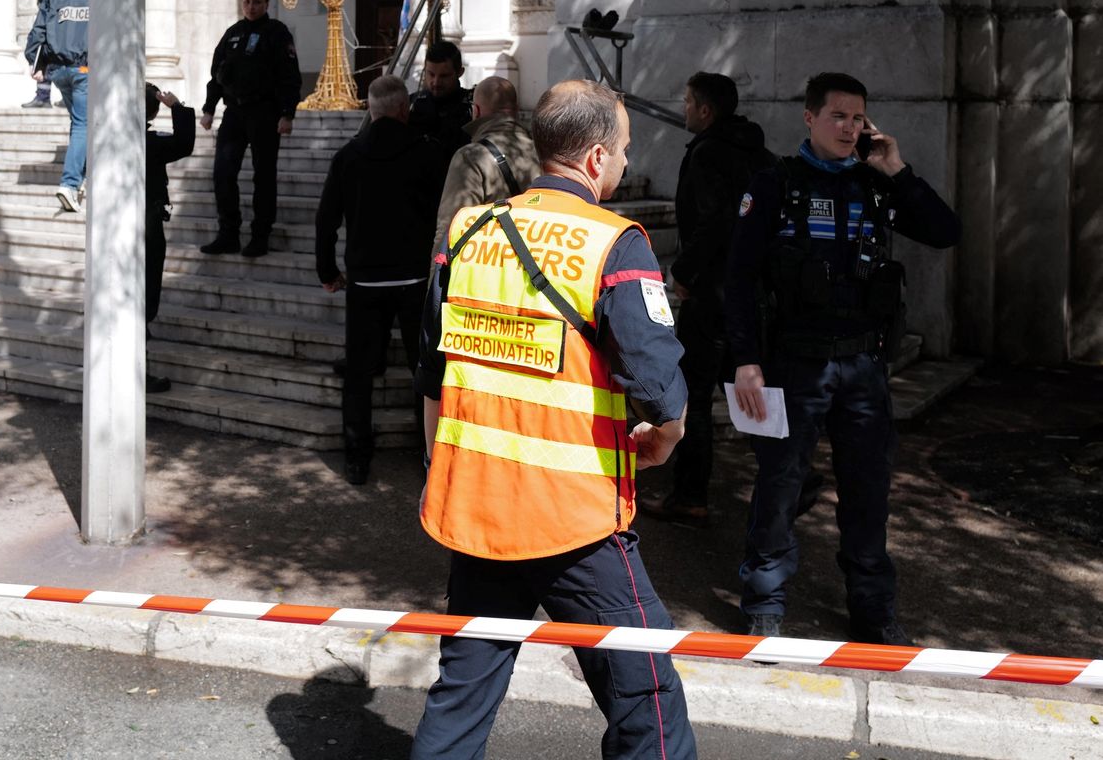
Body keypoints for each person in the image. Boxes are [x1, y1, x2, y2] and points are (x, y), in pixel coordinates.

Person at [411, 79, 697, 759]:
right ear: (596, 158)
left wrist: (442, 473)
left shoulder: (468, 232)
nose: (625, 164)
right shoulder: (615, 242)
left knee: (463, 694)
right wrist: (669, 435)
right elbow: (658, 387)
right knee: (646, 696)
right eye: (623, 151)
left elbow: (432, 376)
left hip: (479, 504)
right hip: (575, 518)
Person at [726, 72, 960, 644]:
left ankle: (873, 611)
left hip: (862, 368)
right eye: (839, 116)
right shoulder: (776, 183)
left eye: (859, 119)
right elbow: (738, 278)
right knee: (781, 485)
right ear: (810, 117)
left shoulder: (876, 185)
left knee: (867, 491)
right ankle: (765, 600)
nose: (850, 128)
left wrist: (897, 169)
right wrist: (745, 360)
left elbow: (945, 231)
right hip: (794, 362)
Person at [640, 72, 773, 527]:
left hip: (712, 294)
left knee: (694, 395)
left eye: (687, 100)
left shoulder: (708, 154)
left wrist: (684, 271)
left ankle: (690, 495)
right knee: (741, 386)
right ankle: (788, 471)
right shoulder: (755, 152)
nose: (683, 107)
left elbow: (714, 221)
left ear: (705, 110)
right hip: (743, 295)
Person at [315, 75, 446, 485]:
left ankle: (357, 456)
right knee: (420, 366)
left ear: (370, 110)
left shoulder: (348, 156)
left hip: (366, 281)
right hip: (413, 278)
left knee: (358, 372)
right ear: (404, 109)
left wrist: (328, 271)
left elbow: (325, 221)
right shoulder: (427, 154)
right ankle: (428, 452)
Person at [199, 0, 302, 258]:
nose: (251, 7)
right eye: (247, 2)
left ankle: (260, 236)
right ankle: (228, 234)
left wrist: (287, 114)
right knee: (223, 173)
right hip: (234, 113)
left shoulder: (277, 33)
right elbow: (217, 76)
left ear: (266, 3)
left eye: (257, 2)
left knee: (264, 176)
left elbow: (290, 77)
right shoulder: (233, 33)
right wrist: (209, 109)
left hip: (265, 113)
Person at [430, 75, 541, 259]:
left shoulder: (470, 157)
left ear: (476, 111)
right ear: (515, 111)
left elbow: (450, 228)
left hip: (488, 269)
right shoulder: (542, 152)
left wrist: (435, 280)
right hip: (536, 272)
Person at [22, 0, 90, 213]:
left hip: (59, 71)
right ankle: (71, 183)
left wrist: (35, 61)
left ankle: (81, 175)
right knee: (84, 123)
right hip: (84, 68)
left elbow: (38, 29)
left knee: (80, 122)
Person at [145, 83, 196, 394]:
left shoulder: (109, 136)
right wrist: (176, 107)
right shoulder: (148, 143)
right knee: (145, 295)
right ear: (152, 110)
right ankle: (139, 371)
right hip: (146, 225)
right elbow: (183, 143)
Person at [407, 39, 473, 167]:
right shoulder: (412, 105)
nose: (436, 82)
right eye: (431, 74)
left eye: (444, 76)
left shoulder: (471, 108)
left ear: (459, 73)